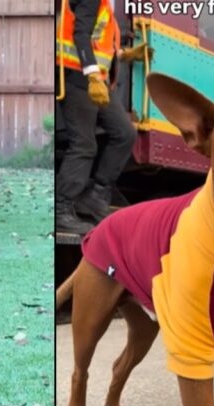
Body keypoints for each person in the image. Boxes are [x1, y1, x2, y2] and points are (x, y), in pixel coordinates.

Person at [55, 0, 152, 234]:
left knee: (125, 133)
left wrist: (124, 55)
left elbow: (98, 43)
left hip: (96, 81)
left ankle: (95, 196)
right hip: (80, 79)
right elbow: (80, 35)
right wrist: (92, 76)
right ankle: (61, 208)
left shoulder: (105, 5)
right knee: (84, 145)